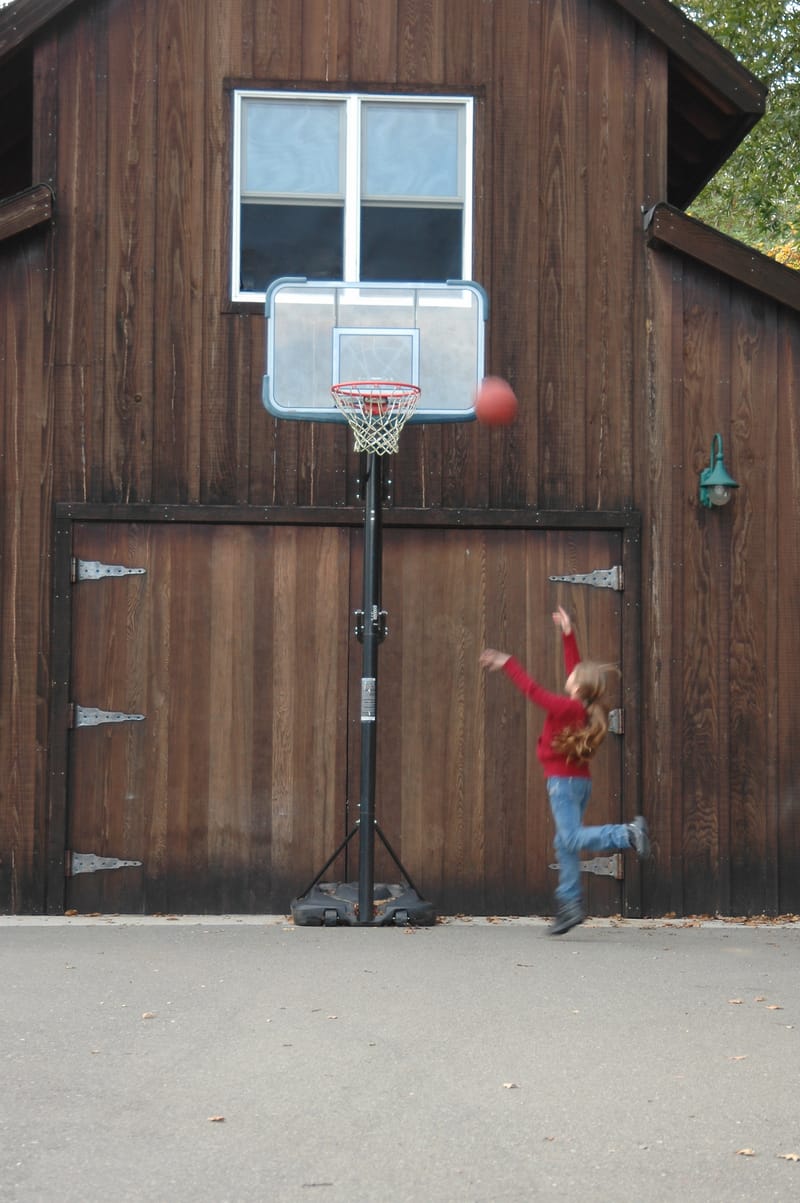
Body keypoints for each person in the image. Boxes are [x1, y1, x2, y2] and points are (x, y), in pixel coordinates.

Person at [479, 606, 649, 935]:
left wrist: (508, 664)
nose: (568, 674)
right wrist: (568, 634)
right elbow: (575, 668)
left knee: (570, 837)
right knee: (564, 842)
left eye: (573, 676)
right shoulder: (581, 705)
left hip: (563, 785)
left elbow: (534, 691)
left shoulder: (566, 707)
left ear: (578, 687)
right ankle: (570, 904)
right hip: (578, 784)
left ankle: (627, 834)